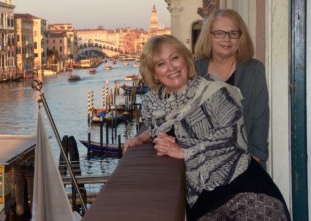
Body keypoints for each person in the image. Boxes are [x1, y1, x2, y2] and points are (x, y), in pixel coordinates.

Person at [123, 35, 288, 220]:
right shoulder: (155, 105)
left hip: (245, 194)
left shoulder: (216, 92)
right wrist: (140, 139)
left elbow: (233, 139)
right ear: (154, 73)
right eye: (161, 64)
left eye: (175, 58)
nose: (171, 68)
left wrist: (185, 152)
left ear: (185, 59)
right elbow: (164, 128)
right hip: (203, 202)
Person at [194, 9, 269, 166]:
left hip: (243, 160)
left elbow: (260, 119)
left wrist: (254, 161)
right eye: (220, 33)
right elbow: (177, 111)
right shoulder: (195, 70)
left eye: (233, 33)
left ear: (241, 37)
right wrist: (145, 136)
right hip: (202, 161)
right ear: (209, 36)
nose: (227, 39)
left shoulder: (253, 70)